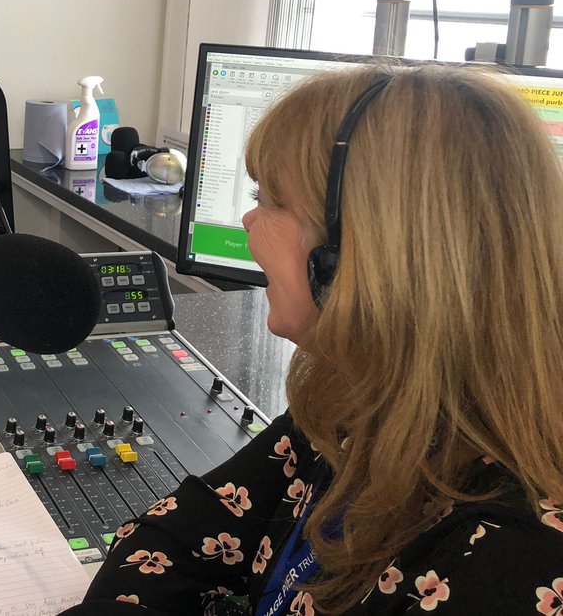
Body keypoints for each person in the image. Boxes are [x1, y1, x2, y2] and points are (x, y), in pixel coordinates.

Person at [66, 64, 563, 615]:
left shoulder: (516, 560)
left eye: (272, 199)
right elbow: (169, 545)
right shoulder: (350, 402)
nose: (250, 219)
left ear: (365, 248)